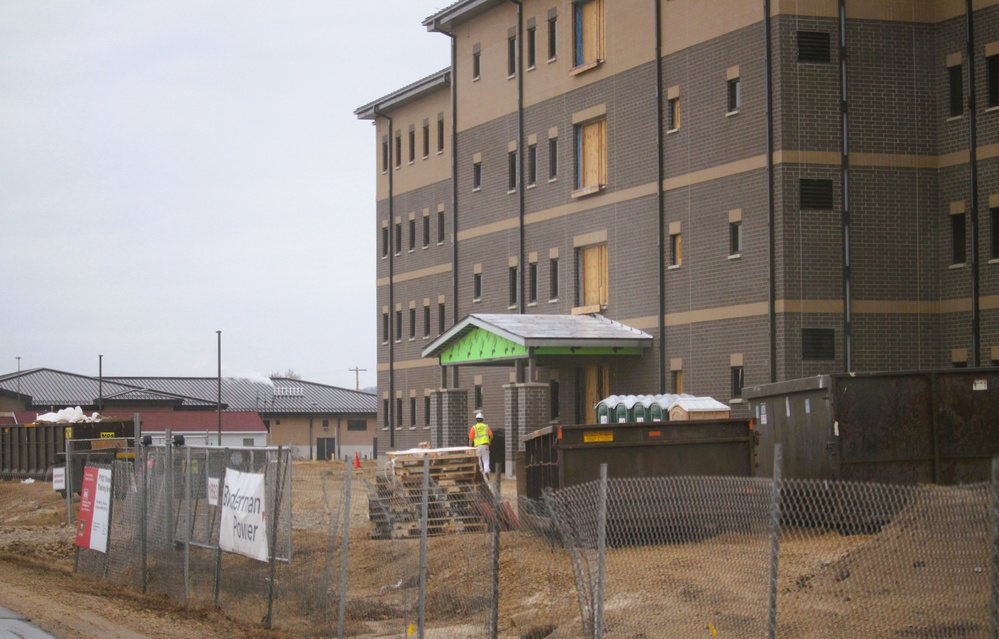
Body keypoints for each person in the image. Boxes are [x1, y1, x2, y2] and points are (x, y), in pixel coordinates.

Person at [468, 411, 493, 478]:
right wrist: (489, 442)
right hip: (485, 445)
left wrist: (470, 447)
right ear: (482, 419)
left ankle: (481, 473)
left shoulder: (474, 428)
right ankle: (486, 471)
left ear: (476, 419)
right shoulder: (486, 427)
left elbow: (470, 439)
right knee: (486, 460)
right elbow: (491, 436)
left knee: (478, 460)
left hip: (477, 447)